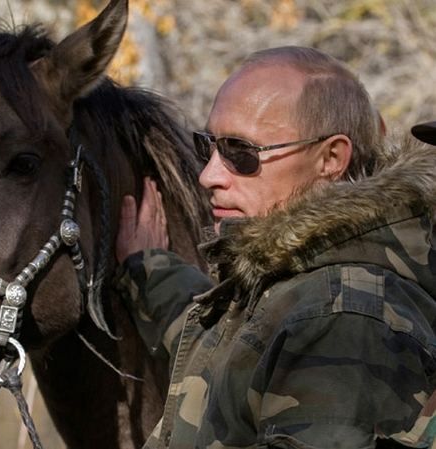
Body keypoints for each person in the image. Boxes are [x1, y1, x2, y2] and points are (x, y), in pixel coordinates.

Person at [114, 45, 436, 448]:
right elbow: (216, 347)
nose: (209, 175)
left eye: (240, 152)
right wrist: (147, 266)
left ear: (331, 159)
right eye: (207, 146)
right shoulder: (295, 279)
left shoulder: (342, 313)